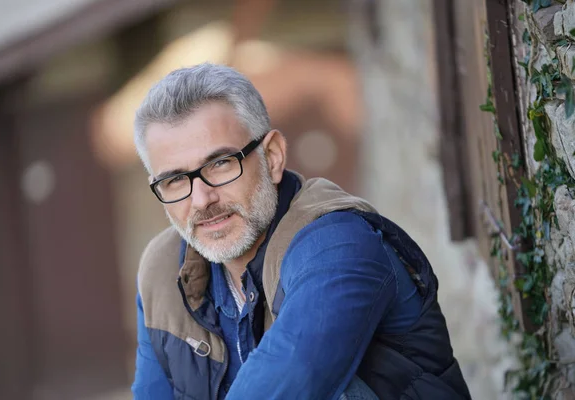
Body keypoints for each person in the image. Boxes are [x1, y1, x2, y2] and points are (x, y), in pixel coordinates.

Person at [131, 63, 471, 400]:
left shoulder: (339, 244)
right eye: (175, 180)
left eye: (221, 163)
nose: (202, 199)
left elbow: (285, 387)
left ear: (273, 157)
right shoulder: (162, 271)